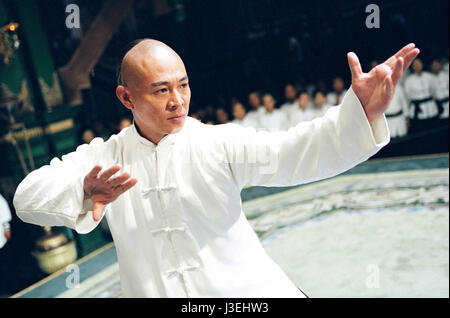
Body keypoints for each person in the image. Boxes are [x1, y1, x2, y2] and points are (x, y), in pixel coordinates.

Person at [13, 39, 418, 298]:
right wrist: (84, 190)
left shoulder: (218, 141)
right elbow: (26, 197)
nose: (177, 100)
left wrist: (358, 112)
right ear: (126, 97)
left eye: (183, 85)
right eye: (161, 89)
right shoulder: (105, 158)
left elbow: (298, 149)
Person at [404, 58, 439, 133]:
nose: (417, 66)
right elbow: (407, 96)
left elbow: (434, 90)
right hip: (417, 111)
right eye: (415, 65)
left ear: (422, 65)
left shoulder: (430, 76)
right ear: (412, 67)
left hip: (431, 108)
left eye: (419, 64)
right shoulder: (409, 80)